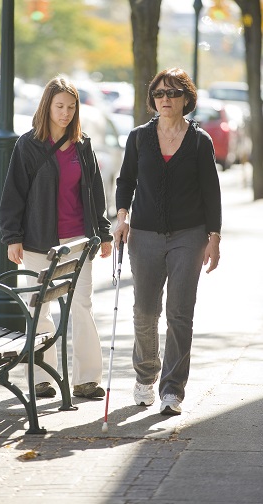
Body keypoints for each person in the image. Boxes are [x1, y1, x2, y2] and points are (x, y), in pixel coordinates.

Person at [114, 68, 222, 415]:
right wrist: (122, 217)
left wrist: (214, 238)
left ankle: (172, 390)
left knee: (179, 314)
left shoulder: (199, 141)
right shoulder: (138, 138)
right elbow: (125, 180)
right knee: (145, 312)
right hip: (143, 235)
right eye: (159, 94)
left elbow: (211, 192)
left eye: (173, 94)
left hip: (189, 235)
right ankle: (145, 377)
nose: (166, 99)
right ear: (153, 99)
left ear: (186, 98)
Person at [0, 75, 112, 399]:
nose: (65, 112)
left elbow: (95, 194)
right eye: (59, 106)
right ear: (47, 106)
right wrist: (12, 236)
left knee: (82, 306)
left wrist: (103, 234)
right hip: (37, 242)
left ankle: (86, 379)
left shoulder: (83, 143)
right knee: (40, 310)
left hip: (78, 240)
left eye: (70, 106)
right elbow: (13, 195)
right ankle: (41, 377)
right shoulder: (29, 144)